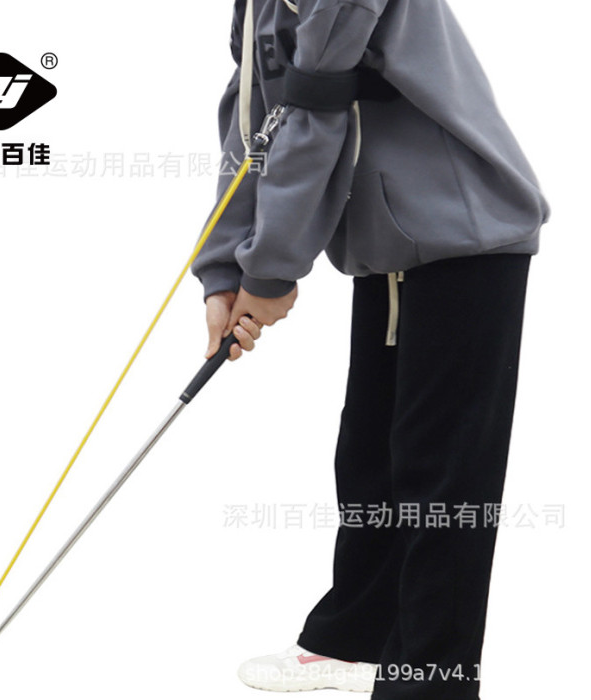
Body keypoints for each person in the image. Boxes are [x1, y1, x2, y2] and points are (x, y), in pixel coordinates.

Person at [191, 1, 550, 697]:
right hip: (391, 241)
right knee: (369, 456)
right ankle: (354, 642)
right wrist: (224, 270)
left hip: (466, 233)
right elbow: (254, 119)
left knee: (441, 478)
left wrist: (271, 271)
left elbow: (314, 112)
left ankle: (430, 683)